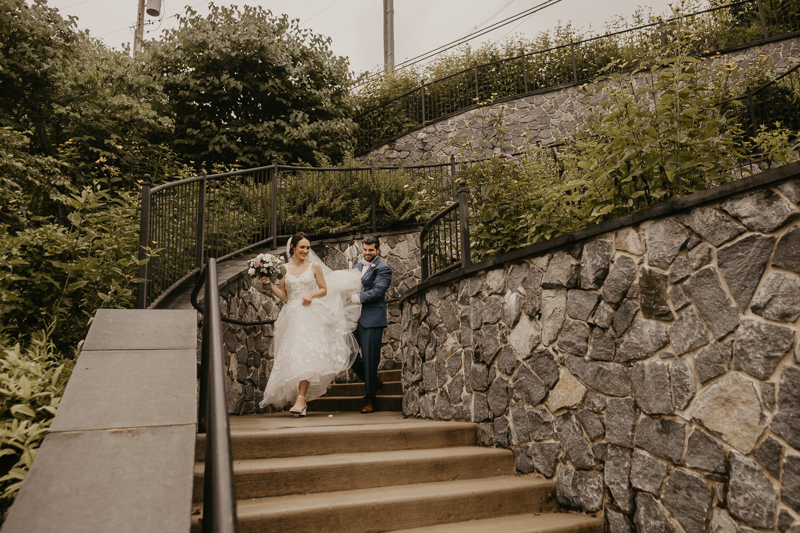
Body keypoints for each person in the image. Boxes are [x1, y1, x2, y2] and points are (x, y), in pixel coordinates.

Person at [258, 232, 362, 416]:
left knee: (307, 354)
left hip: (309, 314)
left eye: (308, 247)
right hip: (291, 315)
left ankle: (301, 399)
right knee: (294, 356)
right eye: (302, 247)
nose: (306, 251)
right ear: (293, 248)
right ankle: (300, 400)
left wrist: (311, 294)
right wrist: (268, 285)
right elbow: (284, 295)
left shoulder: (314, 267)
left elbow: (323, 289)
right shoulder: (283, 269)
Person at [350, 236, 392, 413]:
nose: (367, 253)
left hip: (372, 320)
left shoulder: (383, 269)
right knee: (348, 353)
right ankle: (374, 381)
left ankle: (369, 401)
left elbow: (378, 291)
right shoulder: (356, 267)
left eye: (371, 250)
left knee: (369, 360)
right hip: (354, 319)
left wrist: (355, 298)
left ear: (378, 250)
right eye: (365, 250)